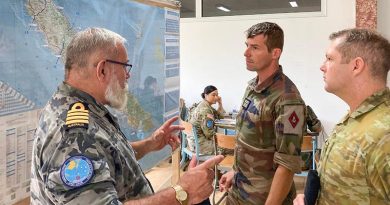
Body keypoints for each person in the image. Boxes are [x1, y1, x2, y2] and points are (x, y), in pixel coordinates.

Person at [30, 27, 224, 205]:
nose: (128, 76)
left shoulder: (81, 108)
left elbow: (104, 155)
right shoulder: (73, 133)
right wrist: (183, 192)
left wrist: (150, 144)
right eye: (125, 67)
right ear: (103, 69)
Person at [294, 28, 390, 205]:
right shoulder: (354, 117)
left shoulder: (384, 134)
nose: (322, 66)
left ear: (356, 66)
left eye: (330, 58)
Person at [219, 22, 307, 205]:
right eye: (247, 46)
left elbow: (287, 165)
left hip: (263, 198)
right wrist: (235, 171)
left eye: (255, 47)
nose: (246, 53)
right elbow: (249, 144)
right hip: (238, 192)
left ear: (275, 53)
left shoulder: (287, 98)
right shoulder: (253, 86)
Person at [188, 85, 226, 155]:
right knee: (228, 147)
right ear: (206, 95)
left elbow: (220, 116)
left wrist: (220, 104)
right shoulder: (206, 110)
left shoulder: (204, 105)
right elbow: (209, 134)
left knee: (226, 144)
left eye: (217, 95)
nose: (216, 97)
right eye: (213, 95)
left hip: (194, 141)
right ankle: (213, 165)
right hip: (199, 145)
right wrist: (224, 141)